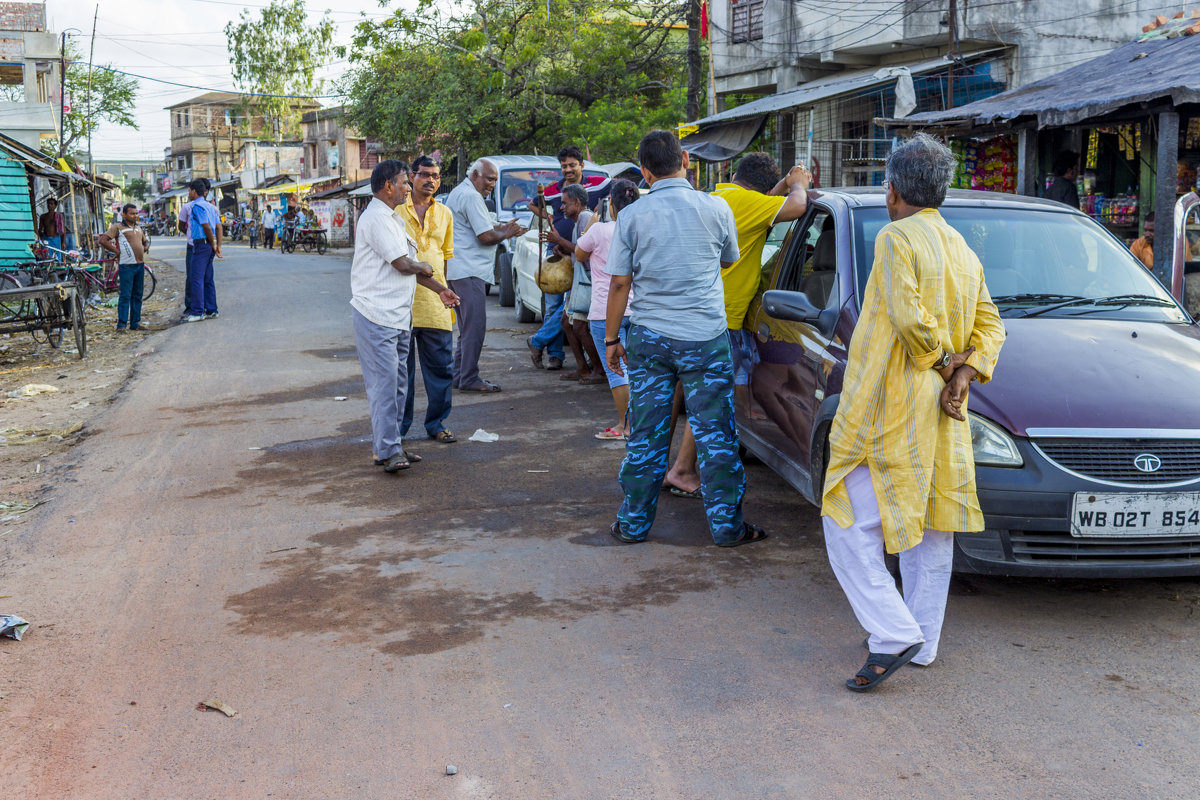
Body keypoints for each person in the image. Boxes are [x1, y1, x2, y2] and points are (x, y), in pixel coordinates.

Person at [820, 134, 1006, 692]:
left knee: (844, 521)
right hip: (946, 407)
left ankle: (894, 632)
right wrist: (965, 373)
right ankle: (919, 639)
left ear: (893, 189)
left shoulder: (895, 236)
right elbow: (991, 324)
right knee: (931, 528)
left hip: (892, 403)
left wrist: (948, 363)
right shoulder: (961, 248)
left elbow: (908, 317)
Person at [603, 130, 766, 548]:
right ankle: (728, 529)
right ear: (686, 161)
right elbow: (728, 257)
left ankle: (634, 525)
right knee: (716, 437)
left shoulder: (632, 216)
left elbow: (620, 284)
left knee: (647, 434)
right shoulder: (716, 208)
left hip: (651, 338)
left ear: (644, 172)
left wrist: (610, 340)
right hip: (706, 338)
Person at [663, 152, 813, 498]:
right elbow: (796, 207)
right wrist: (798, 184)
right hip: (721, 317)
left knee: (679, 390)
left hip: (686, 312)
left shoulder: (720, 198)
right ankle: (683, 470)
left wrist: (782, 185)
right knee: (709, 397)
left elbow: (770, 202)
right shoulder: (746, 204)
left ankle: (658, 467)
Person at [351, 160, 459, 473]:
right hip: (376, 315)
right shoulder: (377, 218)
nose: (408, 187)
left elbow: (410, 264)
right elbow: (404, 264)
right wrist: (426, 267)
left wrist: (440, 289)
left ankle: (390, 446)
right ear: (388, 186)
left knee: (398, 386)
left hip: (397, 317)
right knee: (385, 386)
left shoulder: (390, 218)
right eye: (404, 182)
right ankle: (387, 450)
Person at [445, 157, 527, 393]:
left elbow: (484, 228)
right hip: (468, 270)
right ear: (475, 176)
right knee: (475, 327)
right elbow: (485, 236)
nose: (492, 183)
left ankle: (460, 375)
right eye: (489, 179)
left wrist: (504, 229)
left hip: (459, 268)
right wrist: (507, 232)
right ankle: (469, 377)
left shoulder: (462, 193)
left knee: (467, 328)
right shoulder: (470, 196)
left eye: (494, 179)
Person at [527, 145, 609, 371]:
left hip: (583, 256)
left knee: (576, 308)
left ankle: (586, 359)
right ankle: (555, 355)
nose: (568, 169)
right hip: (556, 252)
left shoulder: (597, 184)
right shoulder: (554, 189)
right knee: (555, 308)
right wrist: (550, 216)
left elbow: (614, 197)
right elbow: (532, 204)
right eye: (564, 166)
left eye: (572, 165)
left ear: (582, 165)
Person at [397, 155, 459, 443]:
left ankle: (436, 423)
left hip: (435, 304)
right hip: (402, 304)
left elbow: (445, 261)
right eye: (425, 175)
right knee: (402, 375)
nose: (431, 180)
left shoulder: (445, 213)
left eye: (435, 175)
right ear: (412, 176)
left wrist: (445, 292)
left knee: (441, 370)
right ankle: (399, 429)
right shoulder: (395, 210)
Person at [576, 178, 640, 439]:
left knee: (617, 372)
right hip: (637, 309)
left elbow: (579, 255)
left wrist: (591, 223)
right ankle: (636, 424)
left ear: (611, 203)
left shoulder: (600, 230)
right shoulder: (641, 228)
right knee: (635, 370)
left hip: (605, 309)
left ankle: (625, 426)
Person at [543, 183, 603, 383]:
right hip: (581, 281)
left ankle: (597, 370)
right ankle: (582, 367)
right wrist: (563, 248)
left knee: (577, 325)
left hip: (587, 282)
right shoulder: (581, 220)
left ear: (577, 202)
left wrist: (559, 240)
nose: (562, 208)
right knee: (567, 324)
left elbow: (583, 252)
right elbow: (579, 251)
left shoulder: (585, 218)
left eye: (565, 203)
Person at [98, 203, 149, 331]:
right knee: (125, 295)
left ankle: (135, 323)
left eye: (136, 213)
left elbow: (145, 241)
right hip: (126, 266)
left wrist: (146, 246)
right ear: (124, 214)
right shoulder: (118, 227)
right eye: (132, 213)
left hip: (139, 265)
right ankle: (121, 324)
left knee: (137, 295)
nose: (135, 216)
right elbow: (103, 240)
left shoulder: (138, 228)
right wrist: (117, 252)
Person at [183, 179, 222, 323]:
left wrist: (213, 244)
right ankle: (212, 309)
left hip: (201, 245)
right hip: (208, 246)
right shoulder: (211, 207)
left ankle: (198, 311)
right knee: (207, 279)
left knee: (196, 279)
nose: (189, 193)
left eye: (189, 191)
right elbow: (219, 227)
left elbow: (206, 226)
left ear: (194, 191)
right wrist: (218, 246)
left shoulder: (196, 206)